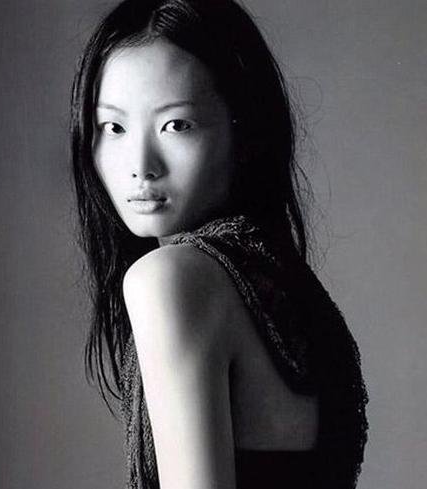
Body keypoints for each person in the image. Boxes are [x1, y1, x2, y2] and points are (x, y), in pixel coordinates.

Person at [70, 1, 369, 488]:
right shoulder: (282, 287)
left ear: (243, 129)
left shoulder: (172, 279)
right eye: (114, 127)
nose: (140, 166)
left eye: (177, 125)